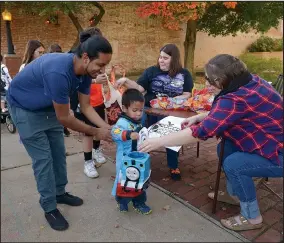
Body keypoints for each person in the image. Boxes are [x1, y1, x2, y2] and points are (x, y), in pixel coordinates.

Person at [139, 54, 283, 232]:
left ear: (221, 80)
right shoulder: (250, 81)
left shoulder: (234, 99)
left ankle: (252, 217)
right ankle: (236, 194)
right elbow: (232, 112)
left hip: (277, 152)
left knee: (234, 164)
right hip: (268, 139)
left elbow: (200, 133)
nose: (206, 84)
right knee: (225, 147)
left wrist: (158, 141)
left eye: (208, 79)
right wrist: (199, 116)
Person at [7, 35, 113, 231]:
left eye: (105, 65)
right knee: (44, 160)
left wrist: (107, 129)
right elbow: (65, 118)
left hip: (48, 107)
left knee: (58, 153)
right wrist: (94, 131)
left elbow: (86, 106)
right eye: (101, 64)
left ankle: (59, 192)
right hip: (24, 108)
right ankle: (49, 206)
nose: (102, 70)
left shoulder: (85, 73)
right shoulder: (58, 71)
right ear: (86, 57)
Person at [115, 44, 194, 180]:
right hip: (149, 109)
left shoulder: (184, 74)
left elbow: (187, 94)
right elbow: (140, 88)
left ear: (173, 59)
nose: (161, 60)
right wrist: (126, 80)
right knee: (139, 128)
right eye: (160, 57)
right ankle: (136, 158)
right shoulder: (151, 71)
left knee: (172, 131)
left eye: (165, 58)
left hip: (172, 111)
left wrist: (170, 100)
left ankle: (173, 165)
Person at [71, 27, 109, 178]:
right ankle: (88, 162)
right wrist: (94, 80)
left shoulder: (98, 60)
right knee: (88, 132)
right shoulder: (78, 62)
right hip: (86, 103)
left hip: (97, 100)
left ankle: (96, 150)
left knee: (99, 126)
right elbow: (79, 81)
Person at [111, 89, 152, 214]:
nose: (139, 113)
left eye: (141, 110)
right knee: (125, 181)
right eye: (135, 110)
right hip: (125, 159)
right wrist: (128, 134)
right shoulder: (122, 122)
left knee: (139, 181)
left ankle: (139, 202)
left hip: (138, 158)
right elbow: (114, 132)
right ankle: (121, 201)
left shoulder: (137, 121)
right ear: (124, 108)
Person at [48, 43, 71, 137]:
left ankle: (63, 128)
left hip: (59, 93)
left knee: (60, 114)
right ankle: (62, 128)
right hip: (52, 95)